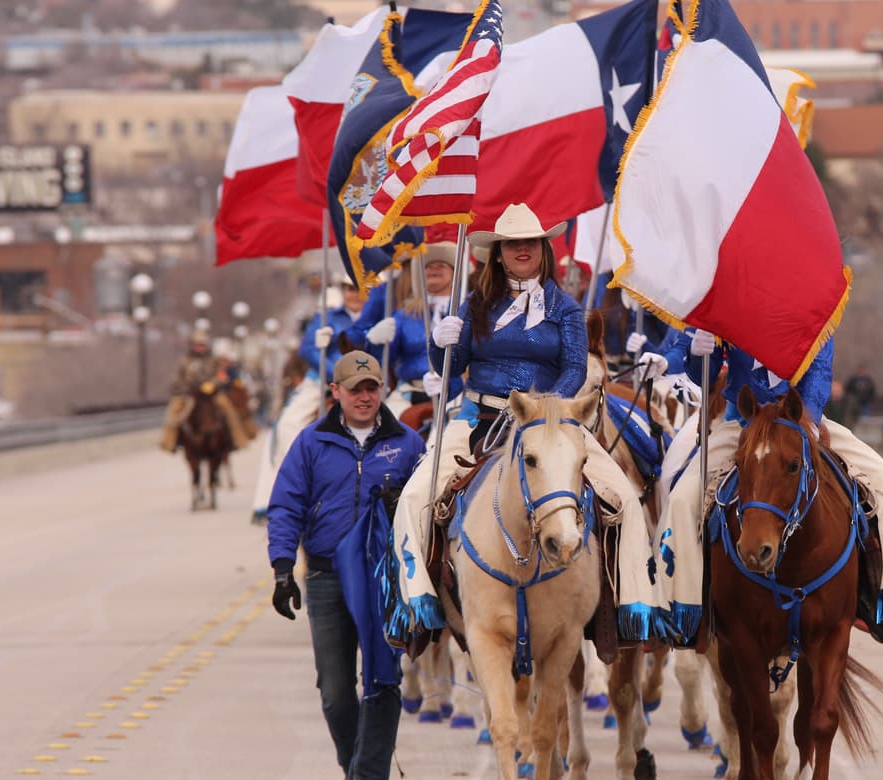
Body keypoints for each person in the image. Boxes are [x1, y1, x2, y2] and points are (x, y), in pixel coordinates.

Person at [388, 202, 663, 644]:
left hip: (547, 424)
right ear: (497, 252)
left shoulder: (565, 307)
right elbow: (452, 367)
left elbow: (574, 367)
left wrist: (546, 408)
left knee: (624, 499)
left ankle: (631, 606)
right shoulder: (475, 302)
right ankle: (418, 601)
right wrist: (443, 344)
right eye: (512, 243)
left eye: (530, 242)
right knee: (416, 494)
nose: (521, 249)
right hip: (478, 416)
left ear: (543, 249)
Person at [652, 329, 883, 646]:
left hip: (802, 421)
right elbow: (708, 375)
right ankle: (684, 609)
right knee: (682, 499)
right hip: (743, 423)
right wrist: (698, 355)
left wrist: (807, 419)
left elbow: (820, 370)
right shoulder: (728, 304)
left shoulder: (812, 302)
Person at [266, 349, 425, 780]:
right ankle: (353, 770)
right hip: (326, 577)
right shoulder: (311, 442)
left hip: (385, 580)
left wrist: (405, 503)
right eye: (354, 389)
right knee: (335, 688)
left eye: (372, 388)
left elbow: (431, 511)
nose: (364, 397)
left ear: (383, 390)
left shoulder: (409, 444)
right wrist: (280, 567)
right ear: (335, 392)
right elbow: (286, 505)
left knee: (382, 678)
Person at [251, 276, 366, 522]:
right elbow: (308, 350)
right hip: (324, 380)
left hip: (368, 381)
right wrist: (337, 370)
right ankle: (291, 491)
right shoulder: (326, 317)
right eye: (349, 289)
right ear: (342, 291)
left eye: (359, 288)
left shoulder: (376, 313)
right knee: (288, 424)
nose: (354, 294)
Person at [342, 242, 462, 422]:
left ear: (454, 272)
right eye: (428, 266)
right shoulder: (405, 314)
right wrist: (375, 343)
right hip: (411, 391)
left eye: (442, 265)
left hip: (458, 393)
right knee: (380, 426)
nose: (433, 269)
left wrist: (454, 383)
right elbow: (382, 362)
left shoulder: (467, 310)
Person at [160, 328, 250, 453]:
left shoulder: (212, 360)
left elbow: (221, 376)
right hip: (189, 395)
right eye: (197, 345)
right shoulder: (185, 361)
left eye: (202, 345)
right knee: (173, 411)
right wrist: (185, 388)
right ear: (192, 345)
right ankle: (169, 442)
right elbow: (177, 379)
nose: (200, 348)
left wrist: (212, 384)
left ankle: (238, 439)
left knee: (228, 409)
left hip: (210, 395)